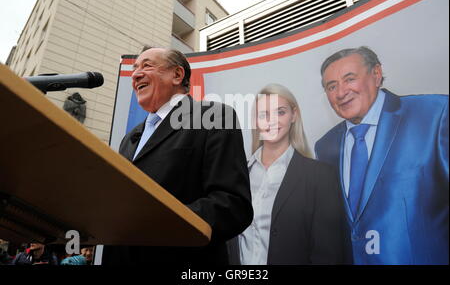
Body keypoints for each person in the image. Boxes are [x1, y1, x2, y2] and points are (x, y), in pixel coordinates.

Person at [102, 47, 253, 265]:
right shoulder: (129, 139)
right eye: (135, 69)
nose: (135, 75)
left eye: (147, 65)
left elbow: (232, 205)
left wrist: (155, 223)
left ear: (177, 75)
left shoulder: (213, 116)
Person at [315, 46, 449, 265]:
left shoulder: (434, 115)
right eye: (332, 86)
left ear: (376, 75)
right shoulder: (325, 147)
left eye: (350, 79)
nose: (341, 92)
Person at [228, 84, 348, 265]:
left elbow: (329, 254)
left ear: (294, 115)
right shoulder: (235, 176)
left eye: (280, 112)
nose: (271, 121)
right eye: (263, 115)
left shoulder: (321, 176)